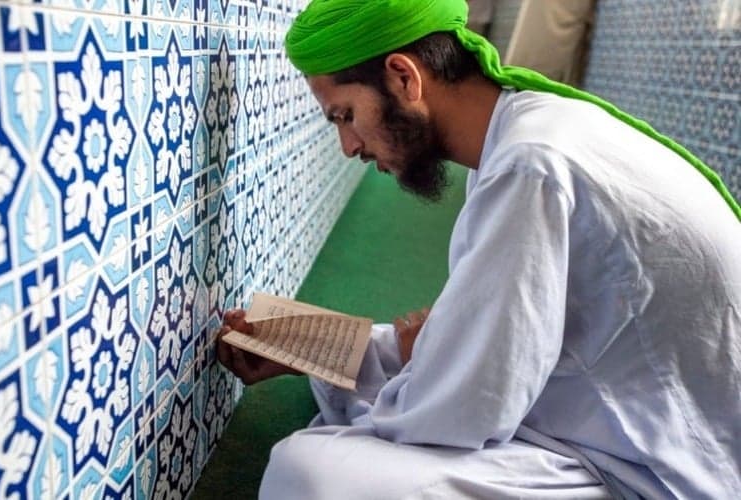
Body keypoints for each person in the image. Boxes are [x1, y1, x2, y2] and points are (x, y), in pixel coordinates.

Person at [216, 1, 741, 498]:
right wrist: (307, 344)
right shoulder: (522, 137)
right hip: (601, 404)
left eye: (345, 115)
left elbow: (465, 406)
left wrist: (420, 361)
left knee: (312, 476)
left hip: (654, 464)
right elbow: (467, 348)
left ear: (404, 77)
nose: (349, 146)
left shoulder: (529, 167)